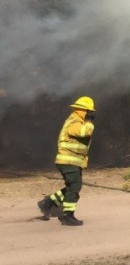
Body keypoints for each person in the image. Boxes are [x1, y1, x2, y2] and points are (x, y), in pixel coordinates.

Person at [37, 96, 96, 226]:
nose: (91, 114)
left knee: (72, 187)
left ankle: (48, 203)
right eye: (90, 112)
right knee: (75, 187)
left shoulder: (76, 120)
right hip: (68, 161)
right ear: (84, 111)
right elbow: (83, 132)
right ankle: (67, 216)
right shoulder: (75, 121)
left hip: (71, 161)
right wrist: (89, 121)